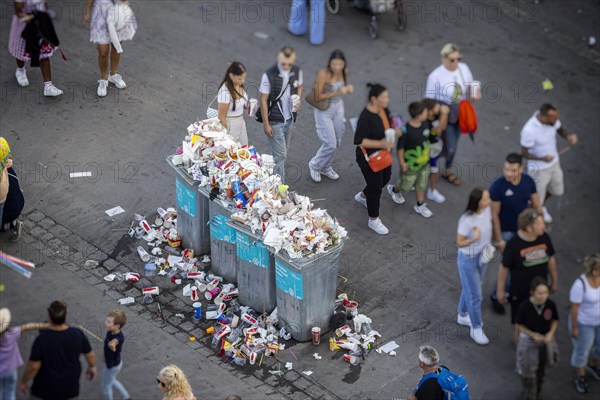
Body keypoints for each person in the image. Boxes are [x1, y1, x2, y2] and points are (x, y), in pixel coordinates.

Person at [489, 153, 542, 314]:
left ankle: (507, 292)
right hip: (507, 233)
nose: (507, 173)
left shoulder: (528, 181)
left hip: (524, 231)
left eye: (512, 170)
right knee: (509, 267)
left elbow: (536, 204)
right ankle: (496, 295)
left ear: (521, 168)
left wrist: (540, 224)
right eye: (506, 169)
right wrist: (499, 239)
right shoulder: (498, 187)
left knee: (521, 267)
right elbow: (494, 216)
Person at [425, 43, 480, 186]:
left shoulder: (464, 68)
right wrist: (439, 113)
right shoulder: (435, 76)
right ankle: (426, 167)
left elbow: (469, 86)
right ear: (443, 58)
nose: (456, 62)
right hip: (444, 113)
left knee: (454, 143)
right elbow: (429, 100)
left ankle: (446, 169)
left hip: (459, 111)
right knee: (447, 146)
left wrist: (474, 94)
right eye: (452, 60)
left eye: (458, 59)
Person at [19, 301, 97, 399]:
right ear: (65, 316)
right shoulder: (77, 334)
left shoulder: (42, 340)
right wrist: (92, 367)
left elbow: (33, 367)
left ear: (49, 317)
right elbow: (90, 355)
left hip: (44, 391)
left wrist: (23, 382)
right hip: (70, 390)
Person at [497, 208, 558, 324]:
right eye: (540, 224)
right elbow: (504, 268)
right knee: (519, 318)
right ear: (529, 228)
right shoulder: (513, 244)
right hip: (520, 291)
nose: (544, 226)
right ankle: (519, 338)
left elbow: (551, 259)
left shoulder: (544, 237)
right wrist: (500, 291)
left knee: (540, 314)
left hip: (540, 290)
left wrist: (554, 281)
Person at [520, 103, 578, 224]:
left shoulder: (552, 121)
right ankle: (533, 216)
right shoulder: (529, 130)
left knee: (556, 189)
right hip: (538, 169)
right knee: (535, 196)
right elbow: (524, 153)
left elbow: (560, 129)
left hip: (554, 164)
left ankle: (541, 206)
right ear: (544, 117)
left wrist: (568, 136)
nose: (557, 119)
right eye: (554, 117)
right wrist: (543, 159)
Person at [353, 83, 395, 234]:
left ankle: (363, 196)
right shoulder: (365, 117)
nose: (387, 100)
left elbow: (390, 123)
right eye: (383, 97)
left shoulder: (383, 111)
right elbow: (359, 140)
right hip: (367, 157)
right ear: (373, 99)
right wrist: (381, 143)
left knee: (385, 178)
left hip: (382, 154)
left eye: (387, 96)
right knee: (376, 188)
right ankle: (374, 220)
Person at [308, 49, 354, 182]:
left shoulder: (344, 72)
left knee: (337, 141)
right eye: (334, 64)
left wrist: (346, 90)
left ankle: (326, 167)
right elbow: (317, 96)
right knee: (330, 144)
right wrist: (340, 91)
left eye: (340, 64)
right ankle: (315, 165)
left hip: (338, 110)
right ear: (330, 63)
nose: (337, 67)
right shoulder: (323, 74)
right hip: (324, 112)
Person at [259, 47, 303, 183]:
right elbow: (263, 99)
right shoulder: (269, 75)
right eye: (283, 63)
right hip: (275, 121)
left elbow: (299, 87)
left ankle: (264, 175)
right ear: (279, 59)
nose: (286, 66)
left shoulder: (297, 72)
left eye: (289, 64)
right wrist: (266, 124)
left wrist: (298, 99)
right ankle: (279, 188)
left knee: (280, 154)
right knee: (281, 156)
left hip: (289, 119)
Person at [455, 188, 493, 345]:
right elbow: (459, 243)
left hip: (482, 256)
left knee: (471, 287)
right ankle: (476, 328)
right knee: (475, 295)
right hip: (468, 259)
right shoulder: (466, 220)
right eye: (485, 199)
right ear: (477, 202)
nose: (489, 200)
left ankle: (463, 315)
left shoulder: (487, 210)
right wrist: (474, 238)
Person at [386, 101, 433, 218]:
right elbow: (400, 148)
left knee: (421, 184)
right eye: (425, 113)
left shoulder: (425, 124)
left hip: (424, 162)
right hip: (410, 165)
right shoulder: (405, 130)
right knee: (405, 186)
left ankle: (420, 204)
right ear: (418, 115)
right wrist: (402, 163)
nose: (427, 114)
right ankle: (395, 189)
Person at [515, 277, 559, 400]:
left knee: (542, 371)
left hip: (545, 342)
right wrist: (532, 334)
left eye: (545, 292)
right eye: (540, 293)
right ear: (532, 292)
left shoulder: (550, 304)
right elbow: (518, 325)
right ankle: (529, 395)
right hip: (529, 342)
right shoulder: (525, 306)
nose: (543, 296)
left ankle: (537, 391)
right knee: (529, 376)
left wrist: (550, 334)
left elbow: (555, 320)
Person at [8, 0, 63, 96]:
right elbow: (18, 11)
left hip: (40, 24)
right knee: (22, 53)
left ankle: (48, 86)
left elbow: (44, 4)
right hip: (24, 27)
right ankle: (20, 70)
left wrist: (45, 15)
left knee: (44, 54)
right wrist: (28, 18)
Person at [84, 0, 137, 97]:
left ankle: (113, 75)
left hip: (118, 12)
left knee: (116, 46)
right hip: (101, 12)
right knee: (103, 53)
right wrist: (88, 10)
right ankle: (104, 79)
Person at [0, 308, 49, 400]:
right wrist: (44, 325)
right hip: (11, 370)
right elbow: (27, 326)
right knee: (10, 393)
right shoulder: (12, 334)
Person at [570, 254, 600, 394]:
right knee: (582, 351)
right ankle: (580, 377)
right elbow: (574, 308)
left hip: (598, 321)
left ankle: (593, 365)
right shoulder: (580, 285)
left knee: (599, 347)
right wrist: (575, 328)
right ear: (593, 271)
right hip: (584, 324)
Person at [421, 98, 450, 204]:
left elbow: (443, 127)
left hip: (434, 148)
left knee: (433, 169)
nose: (439, 107)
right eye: (436, 107)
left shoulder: (436, 116)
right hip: (426, 149)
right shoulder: (426, 122)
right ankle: (430, 190)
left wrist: (444, 115)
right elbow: (437, 132)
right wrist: (444, 114)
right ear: (429, 111)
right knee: (428, 169)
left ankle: (431, 190)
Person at [217, 62, 249, 145]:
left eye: (244, 78)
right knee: (233, 152)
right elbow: (221, 118)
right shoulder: (224, 92)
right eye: (239, 79)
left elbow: (241, 103)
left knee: (244, 149)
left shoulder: (238, 84)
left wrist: (249, 106)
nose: (243, 81)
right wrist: (225, 137)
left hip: (241, 122)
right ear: (231, 76)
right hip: (230, 125)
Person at [102, 310, 130, 400]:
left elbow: (114, 342)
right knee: (111, 380)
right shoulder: (110, 331)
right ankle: (125, 396)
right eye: (106, 320)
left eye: (109, 322)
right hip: (115, 363)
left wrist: (112, 345)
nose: (105, 323)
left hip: (112, 365)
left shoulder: (119, 338)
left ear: (117, 326)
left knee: (106, 385)